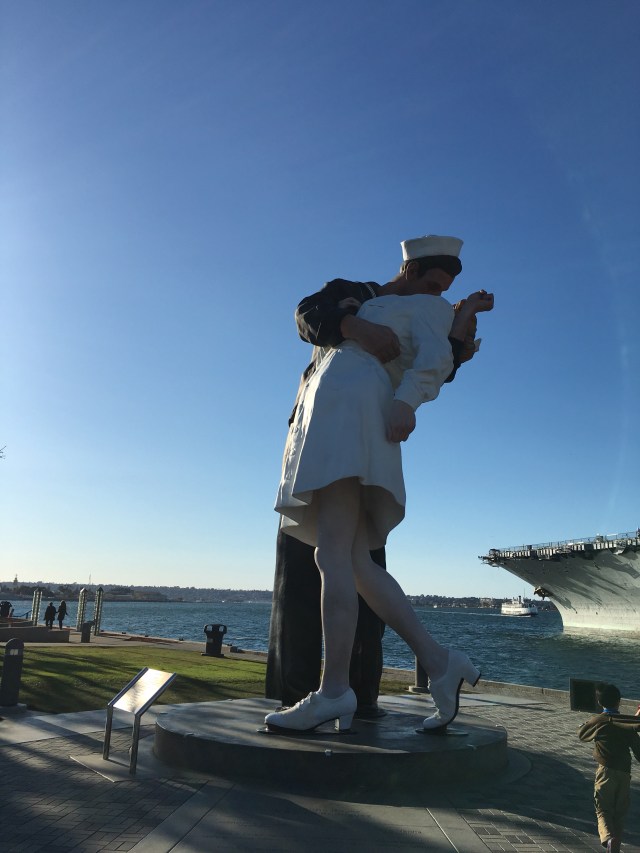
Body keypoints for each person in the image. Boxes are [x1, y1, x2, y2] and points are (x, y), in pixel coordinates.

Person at [265, 234, 493, 733]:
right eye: (433, 282)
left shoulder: (424, 308)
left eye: (444, 289)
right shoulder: (362, 296)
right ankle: (438, 662)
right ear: (410, 270)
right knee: (351, 561)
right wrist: (356, 325)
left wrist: (409, 399)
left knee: (334, 556)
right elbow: (308, 314)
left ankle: (335, 690)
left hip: (349, 408)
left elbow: (436, 361)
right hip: (332, 409)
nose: (438, 293)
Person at [578, 683, 640, 853]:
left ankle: (608, 838)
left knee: (603, 809)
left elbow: (582, 734)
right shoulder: (626, 725)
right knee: (619, 813)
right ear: (619, 701)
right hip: (624, 772)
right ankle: (615, 847)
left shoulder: (598, 721)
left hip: (605, 771)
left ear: (599, 702)